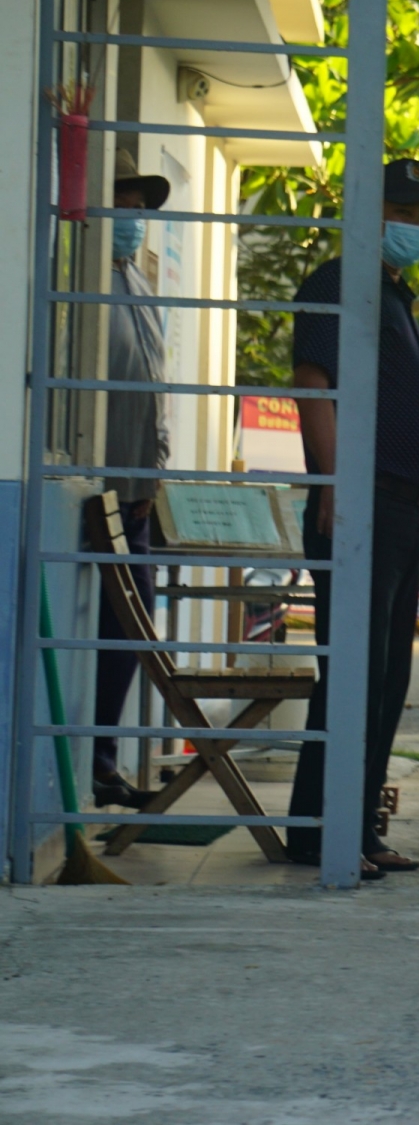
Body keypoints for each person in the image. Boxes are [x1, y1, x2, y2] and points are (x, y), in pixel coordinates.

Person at [284, 159, 419, 879]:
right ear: (365, 210)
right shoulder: (335, 284)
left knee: (385, 679)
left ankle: (354, 824)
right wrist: (334, 484)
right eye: (402, 210)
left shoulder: (393, 297)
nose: (416, 225)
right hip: (356, 504)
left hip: (398, 508)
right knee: (352, 672)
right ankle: (321, 829)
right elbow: (313, 386)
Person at [93, 150, 170, 809]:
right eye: (125, 203)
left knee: (136, 628)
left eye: (142, 208)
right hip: (93, 490)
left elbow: (153, 390)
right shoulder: (81, 282)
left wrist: (158, 472)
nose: (134, 218)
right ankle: (94, 760)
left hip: (138, 496)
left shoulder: (140, 289)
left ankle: (102, 757)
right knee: (113, 628)